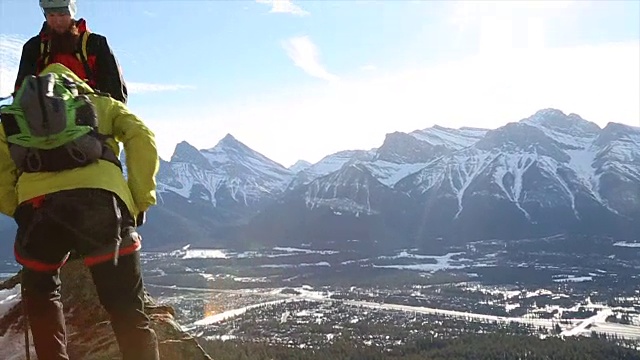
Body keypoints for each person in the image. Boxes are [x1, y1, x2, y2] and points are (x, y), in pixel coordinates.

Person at [0, 63, 159, 360]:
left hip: (40, 210)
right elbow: (142, 136)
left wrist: (18, 209)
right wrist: (139, 200)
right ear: (78, 82)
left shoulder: (15, 115)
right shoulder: (100, 102)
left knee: (43, 295)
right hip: (101, 207)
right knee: (126, 308)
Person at [14, 0, 128, 104]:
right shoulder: (34, 47)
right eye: (51, 15)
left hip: (91, 114)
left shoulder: (95, 44)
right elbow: (21, 91)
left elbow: (115, 93)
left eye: (62, 14)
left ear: (71, 12)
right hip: (47, 117)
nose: (57, 21)